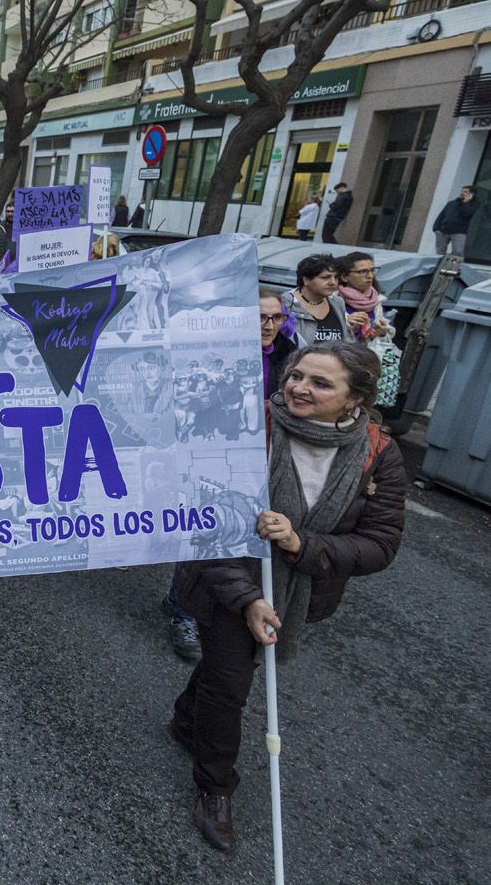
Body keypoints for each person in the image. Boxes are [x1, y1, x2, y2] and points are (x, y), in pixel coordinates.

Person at [170, 341, 405, 852]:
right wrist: (248, 599)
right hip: (225, 580)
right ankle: (214, 786)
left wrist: (302, 544)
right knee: (230, 684)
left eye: (321, 383)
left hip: (298, 585)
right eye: (297, 375)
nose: (299, 388)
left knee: (229, 667)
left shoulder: (379, 454)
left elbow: (381, 544)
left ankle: (187, 717)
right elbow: (207, 521)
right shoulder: (244, 427)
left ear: (356, 399)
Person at [281, 254, 364, 345]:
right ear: (306, 280)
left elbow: (344, 340)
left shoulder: (337, 302)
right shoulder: (286, 304)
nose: (333, 282)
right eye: (325, 277)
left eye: (336, 277)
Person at [430, 184, 477, 256]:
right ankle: (439, 263)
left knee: (458, 252)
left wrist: (466, 202)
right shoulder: (452, 203)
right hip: (443, 230)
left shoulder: (474, 204)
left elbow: (466, 214)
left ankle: (454, 264)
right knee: (440, 251)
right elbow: (442, 215)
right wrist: (436, 228)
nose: (462, 193)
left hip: (459, 232)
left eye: (465, 192)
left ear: (471, 194)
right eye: (462, 191)